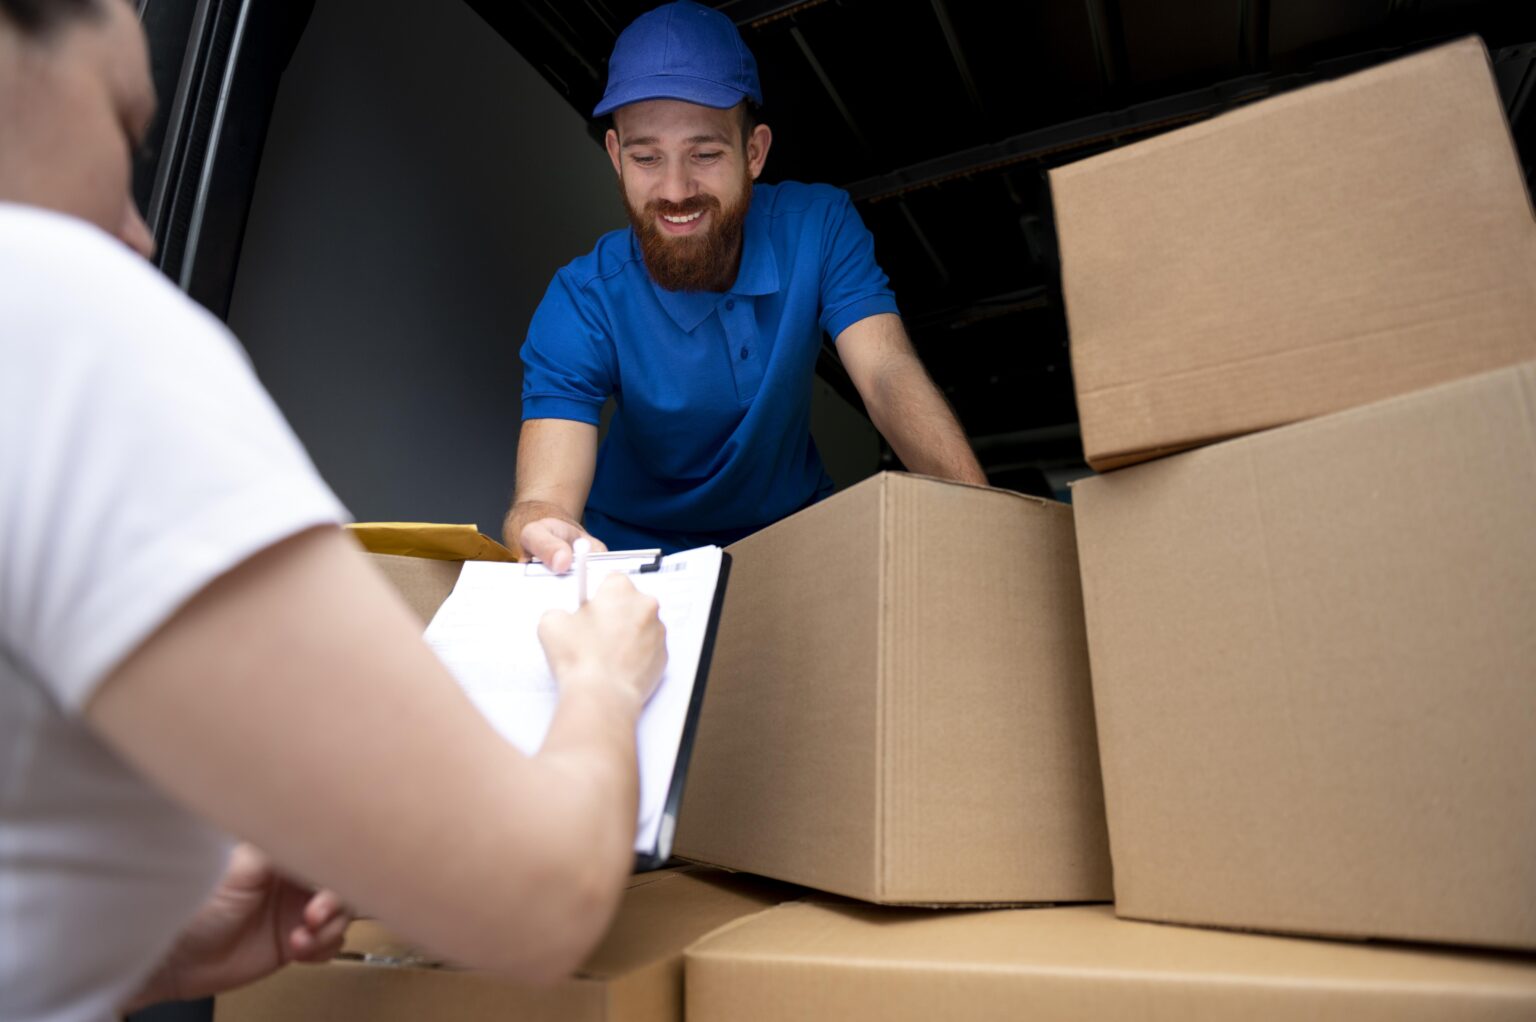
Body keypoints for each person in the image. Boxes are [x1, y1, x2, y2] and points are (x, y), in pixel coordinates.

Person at [0, 2, 667, 1020]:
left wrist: (153, 953)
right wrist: (607, 680)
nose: (140, 236)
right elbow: (538, 896)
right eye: (127, 128)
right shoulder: (56, 307)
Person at [504, 0, 987, 570]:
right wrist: (541, 530)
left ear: (753, 152)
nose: (676, 189)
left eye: (704, 153)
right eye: (646, 157)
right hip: (634, 556)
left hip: (793, 537)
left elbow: (885, 375)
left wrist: (983, 519)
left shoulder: (820, 226)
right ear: (615, 156)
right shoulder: (582, 299)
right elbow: (544, 498)